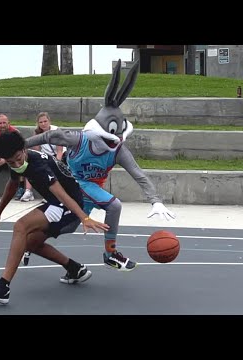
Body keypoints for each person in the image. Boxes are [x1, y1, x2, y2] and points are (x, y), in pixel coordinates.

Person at [24, 59, 175, 272]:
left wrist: (155, 201)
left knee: (67, 226)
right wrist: (21, 145)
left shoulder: (118, 150)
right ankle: (110, 254)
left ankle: (32, 242)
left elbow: (138, 174)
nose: (115, 140)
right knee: (112, 206)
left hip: (91, 187)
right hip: (74, 182)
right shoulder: (79, 139)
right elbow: (49, 135)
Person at [0, 131, 109, 304]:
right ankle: (75, 269)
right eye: (10, 162)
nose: (16, 164)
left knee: (21, 226)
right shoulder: (17, 160)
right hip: (59, 203)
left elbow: (61, 195)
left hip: (68, 204)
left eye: (17, 158)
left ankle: (2, 287)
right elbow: (13, 185)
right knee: (29, 243)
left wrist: (84, 218)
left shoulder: (38, 165)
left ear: (24, 149)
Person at [19, 111, 65, 202]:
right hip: (46, 156)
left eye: (45, 121)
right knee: (31, 165)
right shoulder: (37, 133)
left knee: (53, 170)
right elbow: (36, 151)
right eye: (41, 122)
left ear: (49, 121)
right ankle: (28, 191)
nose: (43, 124)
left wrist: (57, 163)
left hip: (60, 156)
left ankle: (53, 194)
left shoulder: (56, 131)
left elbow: (60, 151)